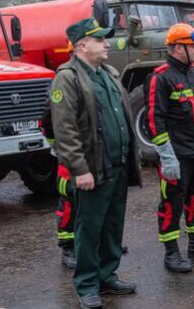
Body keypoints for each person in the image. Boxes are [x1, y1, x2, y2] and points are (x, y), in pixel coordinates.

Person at [49, 18, 141, 308]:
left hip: (118, 163)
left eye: (105, 39)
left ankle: (107, 275)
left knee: (113, 225)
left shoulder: (109, 73)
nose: (106, 44)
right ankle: (87, 284)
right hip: (92, 169)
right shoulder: (68, 77)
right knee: (89, 228)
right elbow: (65, 131)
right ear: (81, 46)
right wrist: (80, 169)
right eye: (100, 40)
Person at [146, 23, 194, 274]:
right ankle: (171, 252)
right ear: (179, 47)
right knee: (172, 203)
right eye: (193, 46)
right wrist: (166, 156)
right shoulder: (161, 77)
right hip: (177, 155)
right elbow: (154, 120)